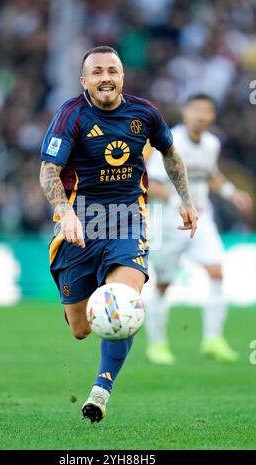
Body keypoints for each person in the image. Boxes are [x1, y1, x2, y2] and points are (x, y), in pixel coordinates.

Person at [39, 46, 197, 422]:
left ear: (123, 76)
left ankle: (101, 390)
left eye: (112, 70)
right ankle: (91, 287)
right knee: (80, 328)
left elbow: (171, 154)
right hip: (80, 225)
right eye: (97, 72)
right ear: (85, 81)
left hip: (128, 219)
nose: (105, 77)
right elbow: (48, 170)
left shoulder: (144, 113)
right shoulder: (70, 115)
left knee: (124, 300)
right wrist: (65, 213)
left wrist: (185, 199)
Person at [144, 94, 252, 365]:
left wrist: (232, 192)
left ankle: (213, 340)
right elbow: (151, 183)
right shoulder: (169, 142)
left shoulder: (211, 144)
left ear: (212, 116)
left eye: (207, 111)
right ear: (185, 112)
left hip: (201, 219)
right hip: (169, 223)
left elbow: (211, 174)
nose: (202, 116)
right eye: (196, 110)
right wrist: (179, 202)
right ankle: (157, 345)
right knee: (163, 283)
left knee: (216, 271)